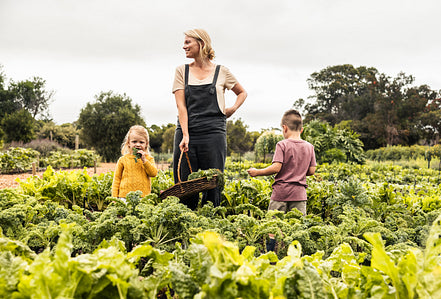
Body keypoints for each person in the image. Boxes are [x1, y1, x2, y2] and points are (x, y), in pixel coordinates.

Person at [172, 28, 247, 210]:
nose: (184, 46)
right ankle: (186, 227)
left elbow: (242, 92)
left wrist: (232, 109)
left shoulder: (222, 72)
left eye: (188, 42)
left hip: (214, 133)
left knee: (213, 183)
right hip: (187, 132)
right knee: (186, 184)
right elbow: (181, 107)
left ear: (202, 43)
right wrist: (186, 135)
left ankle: (210, 225)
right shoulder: (182, 71)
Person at [247, 109, 316, 252]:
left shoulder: (282, 145)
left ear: (284, 128)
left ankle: (272, 256)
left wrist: (257, 172)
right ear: (301, 129)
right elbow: (311, 171)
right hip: (300, 195)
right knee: (297, 229)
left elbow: (276, 167)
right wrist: (299, 170)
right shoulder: (309, 147)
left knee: (274, 227)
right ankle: (294, 257)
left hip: (281, 193)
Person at [112, 125, 158, 199]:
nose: (138, 144)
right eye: (134, 141)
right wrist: (114, 198)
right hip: (125, 197)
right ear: (128, 143)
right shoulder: (123, 160)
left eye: (141, 142)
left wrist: (144, 161)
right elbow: (117, 180)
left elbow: (153, 173)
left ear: (146, 144)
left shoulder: (148, 159)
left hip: (143, 197)